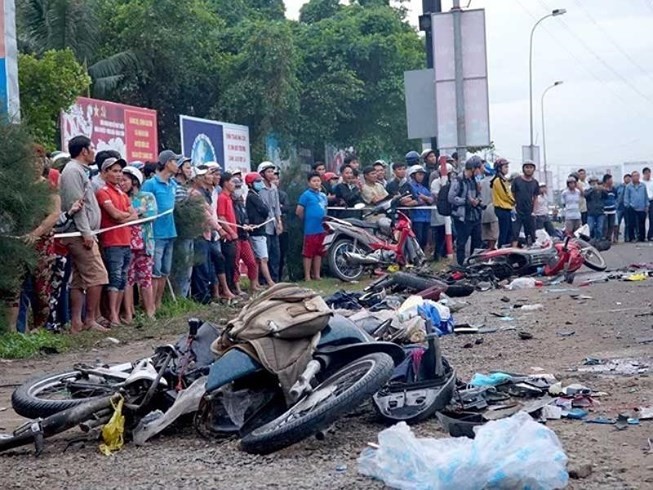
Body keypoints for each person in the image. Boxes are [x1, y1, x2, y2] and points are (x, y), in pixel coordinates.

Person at [59, 135, 109, 333]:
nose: (94, 151)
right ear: (84, 151)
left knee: (79, 280)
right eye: (92, 147)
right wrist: (86, 232)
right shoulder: (72, 171)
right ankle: (90, 319)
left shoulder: (80, 171)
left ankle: (76, 323)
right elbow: (76, 205)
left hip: (83, 232)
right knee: (98, 275)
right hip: (78, 234)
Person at [95, 157, 137, 326]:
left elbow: (133, 214)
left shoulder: (122, 194)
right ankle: (112, 314)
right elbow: (116, 215)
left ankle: (117, 314)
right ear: (104, 173)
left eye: (120, 171)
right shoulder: (103, 192)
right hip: (112, 241)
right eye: (114, 171)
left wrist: (124, 217)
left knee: (122, 279)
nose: (119, 174)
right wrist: (126, 216)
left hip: (125, 241)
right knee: (114, 277)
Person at [141, 150, 180, 308]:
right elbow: (142, 207)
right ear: (167, 163)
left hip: (170, 231)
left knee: (165, 270)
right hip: (155, 234)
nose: (177, 165)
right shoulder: (150, 184)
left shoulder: (173, 184)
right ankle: (149, 306)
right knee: (154, 271)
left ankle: (158, 304)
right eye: (175, 161)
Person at [190, 165, 234, 303]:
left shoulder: (206, 192)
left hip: (208, 234)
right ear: (198, 178)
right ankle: (203, 298)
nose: (209, 177)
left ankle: (211, 295)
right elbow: (206, 214)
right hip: (200, 234)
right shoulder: (195, 193)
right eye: (207, 174)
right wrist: (220, 229)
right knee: (203, 267)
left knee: (211, 264)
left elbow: (209, 212)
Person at [120, 166, 157, 322]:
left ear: (134, 181)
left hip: (144, 243)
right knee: (128, 279)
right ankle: (129, 313)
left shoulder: (147, 196)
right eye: (120, 180)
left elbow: (152, 214)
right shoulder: (121, 197)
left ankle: (150, 311)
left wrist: (135, 214)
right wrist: (137, 213)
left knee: (145, 278)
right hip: (127, 244)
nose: (122, 183)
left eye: (125, 180)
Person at [448, 159, 482, 266]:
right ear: (473, 169)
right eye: (478, 169)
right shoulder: (458, 180)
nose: (480, 171)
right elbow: (451, 198)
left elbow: (478, 194)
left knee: (477, 241)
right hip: (462, 216)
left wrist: (477, 200)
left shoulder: (474, 180)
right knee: (461, 242)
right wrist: (466, 202)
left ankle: (473, 262)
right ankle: (461, 264)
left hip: (475, 215)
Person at [245, 172, 276, 287]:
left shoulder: (255, 195)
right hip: (257, 231)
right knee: (263, 258)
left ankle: (256, 283)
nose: (260, 184)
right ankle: (269, 282)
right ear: (250, 184)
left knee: (259, 259)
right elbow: (265, 210)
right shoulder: (252, 196)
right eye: (257, 182)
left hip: (260, 229)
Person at [296, 171, 328, 282]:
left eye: (318, 181)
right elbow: (299, 211)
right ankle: (307, 276)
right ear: (309, 183)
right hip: (310, 229)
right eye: (314, 181)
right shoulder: (306, 195)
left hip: (322, 228)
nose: (316, 183)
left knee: (319, 252)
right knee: (308, 253)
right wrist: (306, 219)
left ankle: (317, 275)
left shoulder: (323, 195)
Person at [231, 177, 259, 295]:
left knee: (252, 262)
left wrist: (247, 224)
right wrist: (241, 226)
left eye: (240, 187)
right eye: (236, 187)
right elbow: (232, 219)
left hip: (244, 236)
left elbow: (245, 217)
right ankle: (237, 288)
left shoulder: (241, 202)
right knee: (236, 264)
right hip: (235, 236)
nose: (238, 190)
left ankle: (253, 286)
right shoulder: (229, 201)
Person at [172, 156, 194, 298]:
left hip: (190, 232)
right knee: (182, 267)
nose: (190, 170)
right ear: (179, 169)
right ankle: (179, 298)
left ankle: (184, 297)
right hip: (180, 232)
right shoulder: (174, 186)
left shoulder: (186, 188)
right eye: (187, 167)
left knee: (188, 268)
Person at [257, 161, 283, 282]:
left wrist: (279, 222)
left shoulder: (274, 188)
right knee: (264, 255)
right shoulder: (259, 188)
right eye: (268, 171)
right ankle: (263, 280)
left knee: (275, 254)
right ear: (262, 174)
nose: (271, 173)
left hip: (273, 224)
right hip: (264, 225)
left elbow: (276, 207)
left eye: (272, 171)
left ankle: (275, 279)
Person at [217, 172, 240, 296]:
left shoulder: (230, 198)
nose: (234, 184)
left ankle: (231, 288)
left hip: (234, 235)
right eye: (231, 181)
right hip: (228, 237)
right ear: (225, 183)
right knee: (227, 264)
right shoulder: (222, 198)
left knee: (232, 264)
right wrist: (230, 231)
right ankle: (226, 290)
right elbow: (221, 217)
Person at [511, 160, 539, 246]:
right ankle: (513, 253)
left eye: (531, 167)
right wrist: (513, 207)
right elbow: (512, 195)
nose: (529, 169)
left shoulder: (535, 182)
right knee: (515, 234)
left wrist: (534, 211)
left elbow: (535, 198)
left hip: (529, 212)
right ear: (523, 169)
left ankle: (529, 253)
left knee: (530, 235)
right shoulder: (517, 180)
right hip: (517, 211)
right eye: (527, 167)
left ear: (534, 169)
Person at [407, 165, 433, 250]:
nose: (421, 177)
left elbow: (431, 200)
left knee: (425, 239)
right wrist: (423, 200)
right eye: (419, 174)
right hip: (416, 217)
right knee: (418, 238)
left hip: (426, 217)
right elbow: (416, 199)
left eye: (422, 174)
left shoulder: (423, 188)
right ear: (413, 175)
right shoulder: (410, 187)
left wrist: (424, 198)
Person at [430, 163, 452, 261]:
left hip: (449, 212)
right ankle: (437, 254)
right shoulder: (436, 182)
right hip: (438, 212)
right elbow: (437, 196)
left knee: (452, 233)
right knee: (440, 234)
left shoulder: (451, 182)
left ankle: (444, 252)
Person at [490, 158, 515, 248]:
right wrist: (514, 201)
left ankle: (506, 250)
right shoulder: (498, 180)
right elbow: (505, 195)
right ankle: (501, 250)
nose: (507, 169)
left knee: (509, 232)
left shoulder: (503, 180)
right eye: (505, 167)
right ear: (499, 168)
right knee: (504, 232)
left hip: (506, 208)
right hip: (502, 208)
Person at [624, 170, 649, 242]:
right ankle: (632, 238)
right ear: (632, 177)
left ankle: (642, 237)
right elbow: (626, 197)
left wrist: (646, 205)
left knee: (642, 223)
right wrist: (628, 205)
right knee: (632, 223)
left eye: (637, 176)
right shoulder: (629, 186)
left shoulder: (643, 185)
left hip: (642, 207)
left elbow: (646, 196)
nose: (636, 177)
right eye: (634, 176)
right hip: (632, 207)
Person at [479, 164, 499, 250]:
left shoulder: (480, 182)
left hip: (482, 212)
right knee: (494, 237)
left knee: (486, 237)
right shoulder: (496, 182)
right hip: (494, 211)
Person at [276, 171, 290, 281]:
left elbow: (286, 208)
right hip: (270, 228)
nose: (275, 181)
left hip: (283, 227)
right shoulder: (262, 193)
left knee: (282, 254)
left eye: (276, 179)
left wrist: (278, 207)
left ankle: (280, 277)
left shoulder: (282, 194)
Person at [616, 174, 632, 242]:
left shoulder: (631, 187)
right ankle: (615, 238)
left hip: (627, 207)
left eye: (629, 178)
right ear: (624, 179)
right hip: (619, 207)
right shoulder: (619, 186)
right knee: (617, 223)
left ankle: (627, 238)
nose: (628, 179)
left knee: (627, 223)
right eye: (626, 178)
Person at [602, 174, 617, 243]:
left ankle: (609, 238)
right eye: (610, 179)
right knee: (605, 225)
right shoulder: (602, 189)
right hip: (604, 210)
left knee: (611, 225)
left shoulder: (613, 189)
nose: (611, 181)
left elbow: (616, 197)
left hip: (612, 210)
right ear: (606, 180)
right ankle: (604, 238)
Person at [643, 167, 653, 240]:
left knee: (652, 219)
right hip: (643, 202)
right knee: (642, 219)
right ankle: (642, 236)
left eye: (649, 173)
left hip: (651, 201)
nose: (648, 174)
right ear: (643, 174)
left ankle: (650, 235)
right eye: (646, 173)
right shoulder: (641, 182)